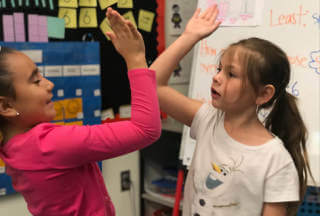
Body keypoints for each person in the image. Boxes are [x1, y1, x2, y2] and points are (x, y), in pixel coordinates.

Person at [150, 5, 313, 216]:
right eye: (219, 69)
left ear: (263, 94)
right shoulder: (207, 119)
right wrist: (189, 37)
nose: (217, 77)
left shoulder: (275, 160)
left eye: (231, 74)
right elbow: (152, 86)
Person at [0, 8, 161, 216]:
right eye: (36, 80)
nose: (49, 84)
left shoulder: (13, 146)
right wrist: (136, 58)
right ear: (6, 107)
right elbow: (146, 129)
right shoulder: (49, 144)